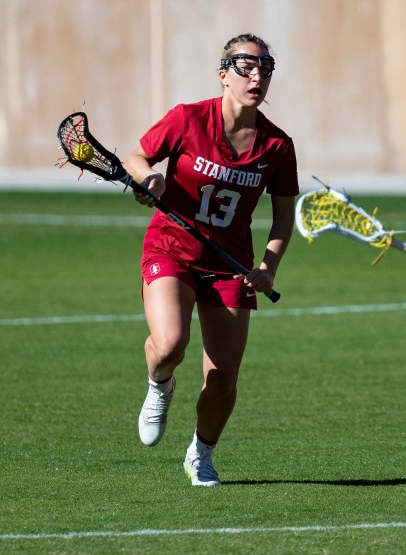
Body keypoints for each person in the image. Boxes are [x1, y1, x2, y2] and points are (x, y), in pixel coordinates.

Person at [123, 33, 299, 486]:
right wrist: (150, 180)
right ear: (223, 74)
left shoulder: (277, 146)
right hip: (172, 248)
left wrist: (268, 267)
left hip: (231, 264)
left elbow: (283, 216)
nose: (256, 75)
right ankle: (160, 383)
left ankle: (200, 454)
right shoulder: (187, 119)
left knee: (222, 380)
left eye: (265, 67)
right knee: (169, 344)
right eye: (246, 66)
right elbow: (137, 157)